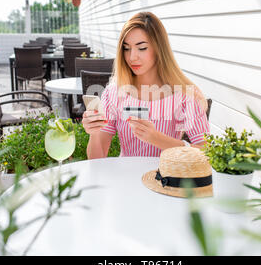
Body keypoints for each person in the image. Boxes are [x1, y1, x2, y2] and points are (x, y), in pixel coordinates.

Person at [83, 12, 210, 159]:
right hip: (124, 178)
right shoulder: (114, 92)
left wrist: (157, 139)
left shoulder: (184, 95)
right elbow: (97, 160)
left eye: (141, 48)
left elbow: (206, 152)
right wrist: (94, 133)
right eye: (126, 48)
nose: (132, 57)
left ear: (159, 49)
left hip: (166, 178)